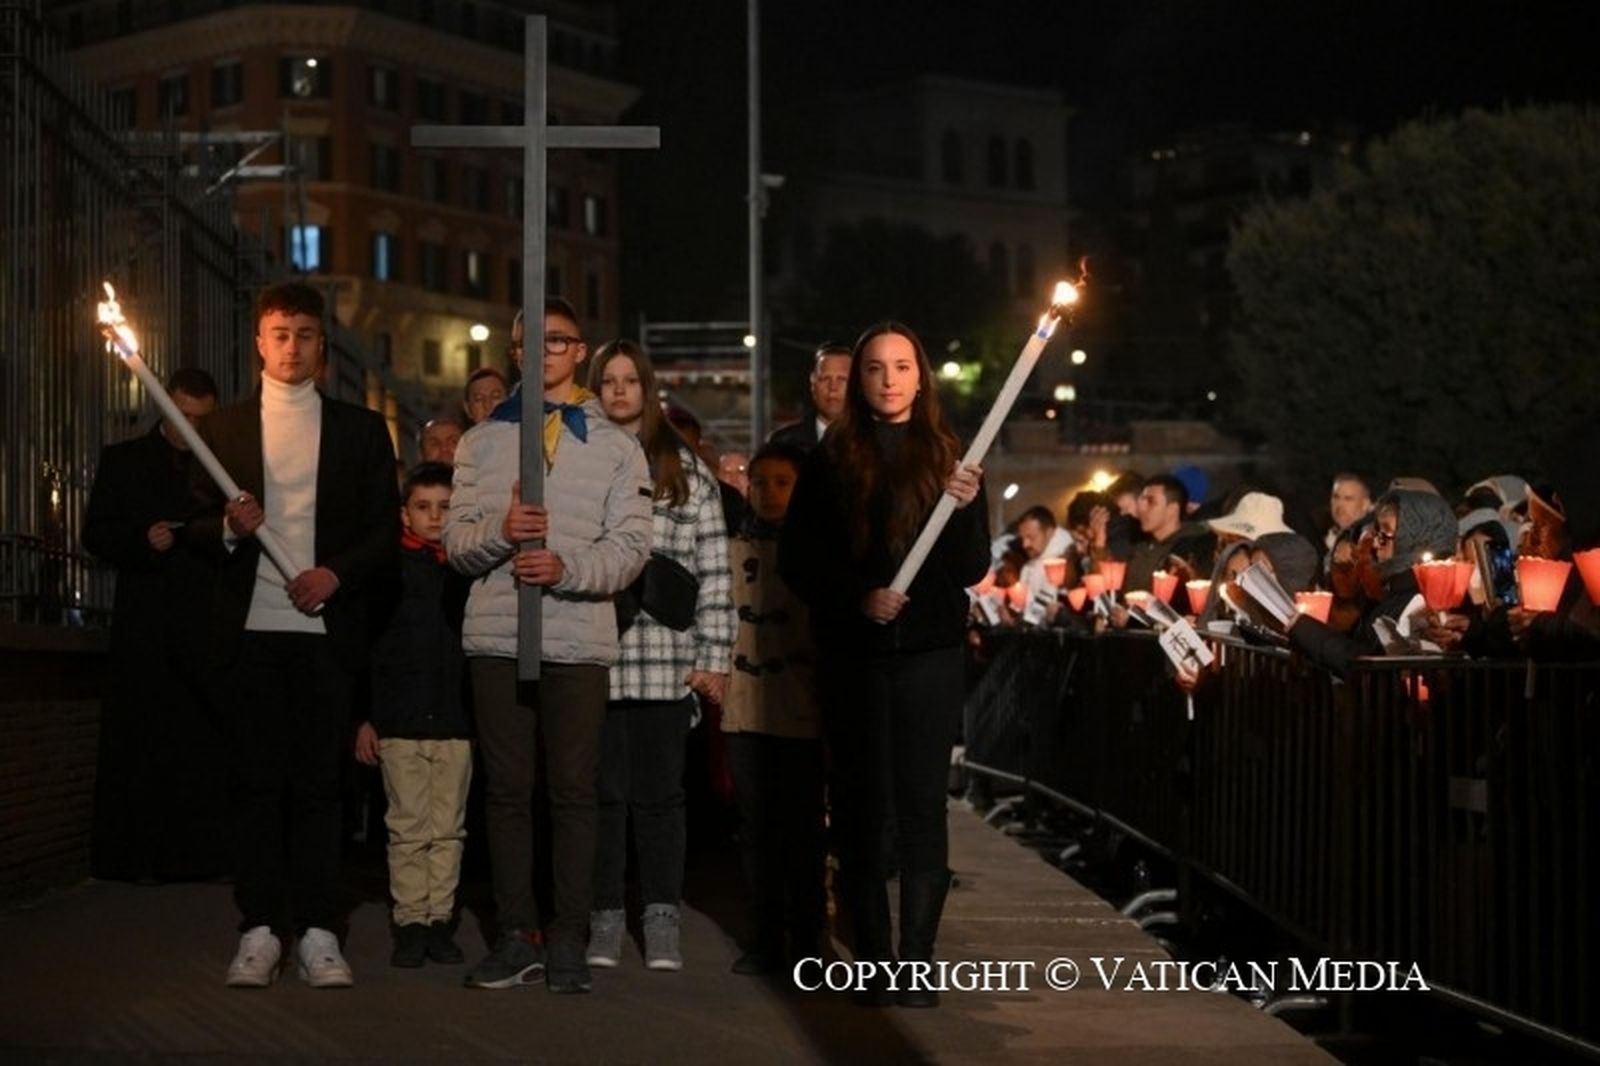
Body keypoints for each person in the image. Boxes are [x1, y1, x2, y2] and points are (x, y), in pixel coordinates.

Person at [191, 282, 400, 989]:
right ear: (259, 340)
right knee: (254, 785)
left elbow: (383, 532)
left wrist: (335, 576)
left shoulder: (361, 431)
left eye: (306, 334)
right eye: (280, 333)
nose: (292, 347)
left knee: (319, 786)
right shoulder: (218, 432)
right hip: (248, 636)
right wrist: (225, 527)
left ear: (322, 346)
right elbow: (188, 526)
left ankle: (316, 929)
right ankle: (258, 929)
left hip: (325, 637)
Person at [447, 298, 653, 994]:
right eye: (528, 343)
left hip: (578, 639)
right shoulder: (480, 442)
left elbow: (629, 551)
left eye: (556, 341)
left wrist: (568, 569)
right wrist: (504, 532)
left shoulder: (619, 446)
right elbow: (456, 547)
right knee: (506, 792)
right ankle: (516, 933)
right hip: (497, 636)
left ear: (579, 351)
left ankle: (568, 933)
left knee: (573, 792)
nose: (542, 353)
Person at [780, 321, 988, 1009]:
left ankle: (917, 963)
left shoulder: (952, 459)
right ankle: (872, 962)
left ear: (921, 376)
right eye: (875, 368)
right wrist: (856, 598)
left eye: (902, 366)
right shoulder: (831, 460)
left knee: (924, 806)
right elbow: (798, 562)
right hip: (856, 657)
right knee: (862, 809)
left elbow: (969, 568)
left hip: (929, 656)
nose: (889, 379)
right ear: (859, 379)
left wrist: (960, 507)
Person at [581, 339, 735, 972]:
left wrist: (714, 654)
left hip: (663, 656)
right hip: (590, 653)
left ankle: (661, 915)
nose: (619, 391)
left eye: (629, 381)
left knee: (661, 796)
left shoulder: (684, 468)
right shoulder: (576, 461)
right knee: (601, 794)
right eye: (608, 381)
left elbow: (716, 566)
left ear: (647, 389)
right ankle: (605, 916)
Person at [83, 366, 228, 884]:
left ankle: (200, 856)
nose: (189, 428)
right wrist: (143, 542)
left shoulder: (217, 468)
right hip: (145, 620)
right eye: (181, 416)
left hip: (202, 618)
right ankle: (137, 857)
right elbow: (96, 531)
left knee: (197, 741)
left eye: (199, 420)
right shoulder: (123, 460)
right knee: (141, 740)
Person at [354, 462, 473, 969]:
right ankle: (410, 921)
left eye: (445, 508)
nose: (434, 517)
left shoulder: (467, 573)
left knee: (448, 828)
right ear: (404, 515)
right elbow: (365, 647)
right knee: (407, 827)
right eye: (423, 507)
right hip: (399, 719)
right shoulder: (387, 574)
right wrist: (364, 717)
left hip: (455, 718)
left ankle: (439, 920)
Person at [720, 442, 826, 976]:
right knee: (756, 827)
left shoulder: (822, 549)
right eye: (759, 482)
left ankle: (810, 938)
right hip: (745, 705)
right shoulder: (730, 549)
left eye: (782, 482)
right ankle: (764, 937)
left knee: (804, 827)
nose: (768, 492)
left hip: (803, 706)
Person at [1125, 474, 1215, 592]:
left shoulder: (1196, 550)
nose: (1142, 508)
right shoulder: (1142, 548)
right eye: (1142, 500)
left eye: (1151, 502)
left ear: (1172, 509)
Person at [769, 342, 851, 451]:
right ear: (813, 382)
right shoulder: (784, 443)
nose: (833, 387)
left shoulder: (876, 441)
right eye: (825, 379)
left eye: (842, 379)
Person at [1323, 473, 1373, 576]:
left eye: (1348, 499)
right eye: (1336, 497)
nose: (1339, 505)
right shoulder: (1324, 537)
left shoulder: (1371, 542)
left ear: (1365, 504)